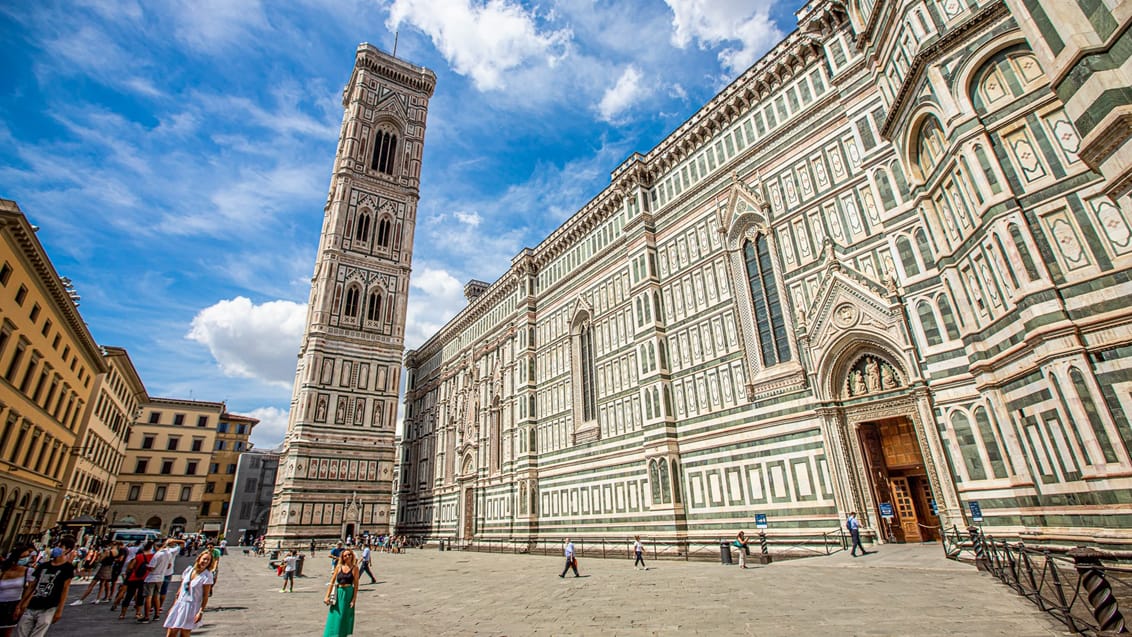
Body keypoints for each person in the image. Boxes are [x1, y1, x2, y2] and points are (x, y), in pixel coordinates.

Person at [15, 535, 76, 637]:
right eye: (57, 545)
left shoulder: (67, 568)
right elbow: (32, 586)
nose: (56, 548)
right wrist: (21, 604)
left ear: (67, 550)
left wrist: (59, 610)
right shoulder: (44, 566)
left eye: (60, 546)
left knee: (37, 634)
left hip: (48, 607)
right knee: (21, 631)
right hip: (32, 605)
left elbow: (65, 589)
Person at [163, 550, 214, 637]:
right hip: (180, 604)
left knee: (185, 632)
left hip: (191, 606)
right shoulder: (189, 570)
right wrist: (173, 606)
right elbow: (180, 590)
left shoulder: (207, 576)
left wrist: (200, 612)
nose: (205, 562)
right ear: (199, 559)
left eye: (208, 560)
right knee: (171, 631)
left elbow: (205, 596)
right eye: (204, 559)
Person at [0, 545, 35, 637]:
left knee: (6, 633)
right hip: (1, 602)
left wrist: (21, 605)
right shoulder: (4, 570)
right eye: (23, 557)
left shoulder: (28, 571)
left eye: (27, 556)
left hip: (13, 604)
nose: (26, 559)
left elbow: (31, 589)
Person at [322, 549, 358, 637]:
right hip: (338, 593)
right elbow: (332, 581)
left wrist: (353, 600)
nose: (348, 556)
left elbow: (356, 585)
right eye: (345, 555)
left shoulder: (355, 568)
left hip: (348, 593)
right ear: (342, 557)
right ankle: (332, 634)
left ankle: (341, 634)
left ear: (352, 556)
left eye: (349, 554)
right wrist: (327, 596)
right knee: (335, 616)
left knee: (344, 617)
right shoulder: (338, 567)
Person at [118, 541, 152, 621]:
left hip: (134, 577)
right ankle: (138, 613)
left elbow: (130, 567)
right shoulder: (152, 556)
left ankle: (122, 614)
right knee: (140, 596)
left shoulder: (139, 556)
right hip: (144, 578)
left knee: (129, 595)